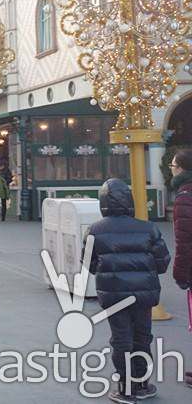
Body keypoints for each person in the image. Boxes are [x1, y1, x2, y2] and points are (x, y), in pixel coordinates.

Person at [85, 178, 170, 403]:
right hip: (143, 293)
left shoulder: (95, 230)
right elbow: (162, 262)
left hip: (113, 293)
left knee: (121, 339)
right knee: (143, 337)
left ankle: (126, 388)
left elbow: (89, 264)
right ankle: (142, 383)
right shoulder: (148, 228)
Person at [169, 149, 192, 388]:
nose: (171, 169)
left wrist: (180, 274)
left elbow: (185, 242)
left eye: (173, 165)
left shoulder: (185, 197)